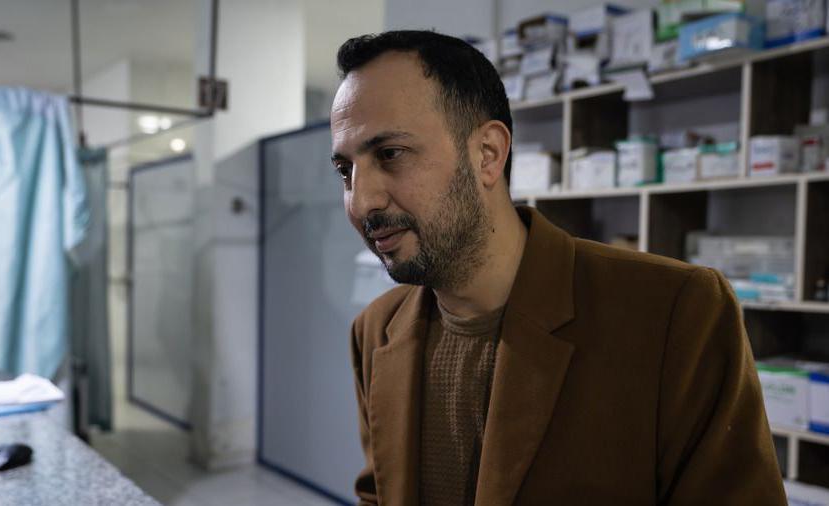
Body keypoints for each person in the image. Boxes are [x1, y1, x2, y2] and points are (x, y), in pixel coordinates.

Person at [330, 30, 785, 505]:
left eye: (390, 154)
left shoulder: (676, 313)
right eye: (346, 171)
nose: (362, 201)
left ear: (487, 154)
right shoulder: (376, 331)